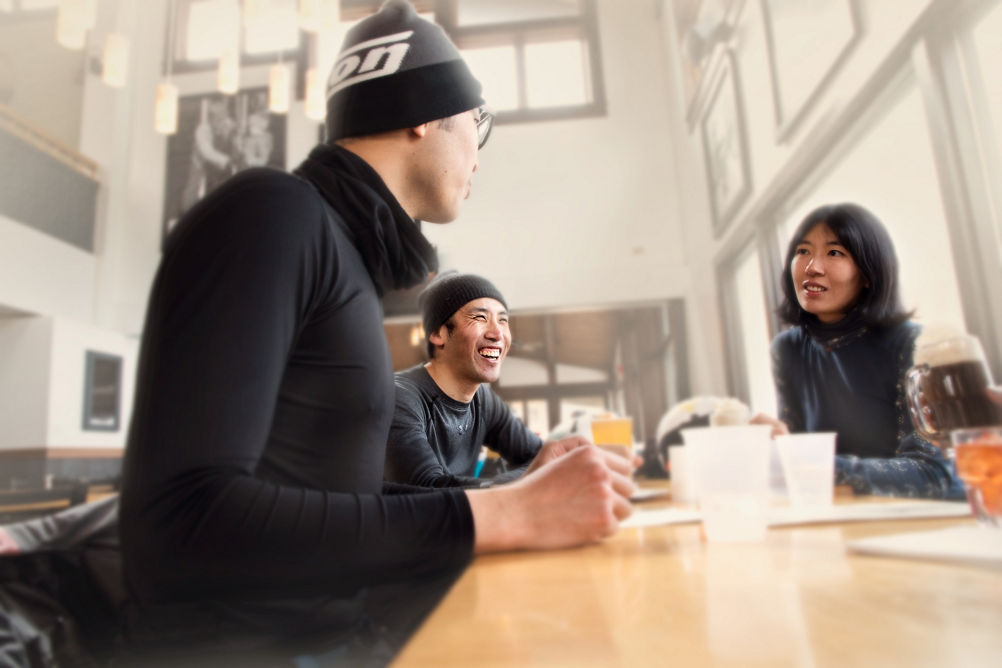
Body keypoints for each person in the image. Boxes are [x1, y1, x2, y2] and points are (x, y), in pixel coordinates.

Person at [118, 1, 634, 664]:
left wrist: (517, 489)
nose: (479, 153)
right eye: (477, 124)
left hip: (338, 634)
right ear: (423, 111)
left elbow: (332, 504)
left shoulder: (343, 262)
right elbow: (181, 526)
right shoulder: (270, 216)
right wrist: (510, 516)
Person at [756, 202, 963, 499]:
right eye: (803, 251)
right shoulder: (787, 349)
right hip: (850, 515)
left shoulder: (914, 345)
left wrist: (808, 461)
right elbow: (799, 464)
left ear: (868, 273)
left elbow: (933, 473)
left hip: (931, 522)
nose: (812, 268)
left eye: (834, 253)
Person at [386, 271, 590, 488]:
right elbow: (428, 489)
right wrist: (533, 475)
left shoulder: (483, 400)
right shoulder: (400, 398)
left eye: (503, 320)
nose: (497, 333)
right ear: (438, 333)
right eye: (480, 317)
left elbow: (539, 456)